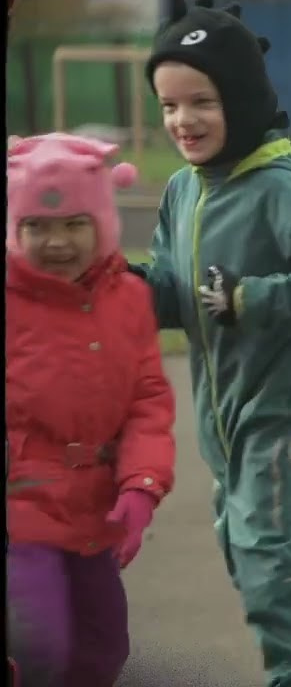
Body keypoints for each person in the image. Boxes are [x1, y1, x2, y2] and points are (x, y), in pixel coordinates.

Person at [130, 0, 291, 687]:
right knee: (248, 559)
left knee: (273, 570)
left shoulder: (280, 186)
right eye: (170, 105)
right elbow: (177, 294)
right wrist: (118, 290)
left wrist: (252, 298)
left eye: (201, 102)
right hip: (225, 421)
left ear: (239, 96)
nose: (184, 120)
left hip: (285, 418)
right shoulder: (183, 189)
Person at [6, 133, 177, 687]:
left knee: (103, 647)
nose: (56, 242)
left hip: (94, 508)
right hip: (20, 508)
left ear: (101, 221)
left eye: (74, 224)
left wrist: (142, 484)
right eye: (37, 226)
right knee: (38, 646)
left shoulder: (128, 296)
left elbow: (147, 397)